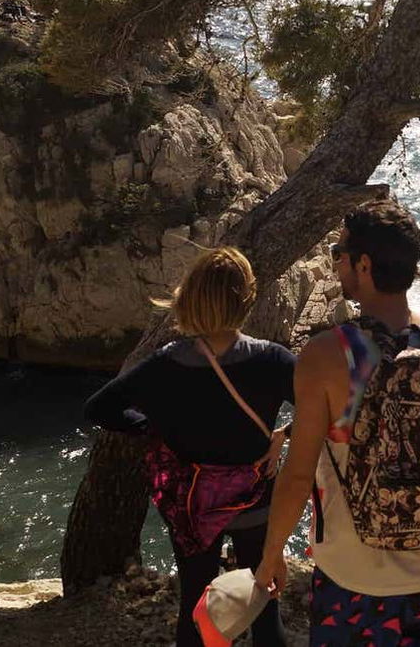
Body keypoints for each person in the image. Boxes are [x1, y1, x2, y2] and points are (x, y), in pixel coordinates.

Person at [254, 199, 420, 646]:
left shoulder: (328, 356)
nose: (335, 264)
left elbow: (297, 473)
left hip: (352, 576)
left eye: (340, 254)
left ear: (364, 265)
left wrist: (271, 555)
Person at [85, 247, 291, 647]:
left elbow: (99, 408)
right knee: (265, 607)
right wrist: (287, 433)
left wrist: (152, 428)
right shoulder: (273, 361)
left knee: (196, 609)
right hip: (256, 502)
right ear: (248, 299)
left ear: (190, 298)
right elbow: (336, 407)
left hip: (193, 508)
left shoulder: (164, 365)